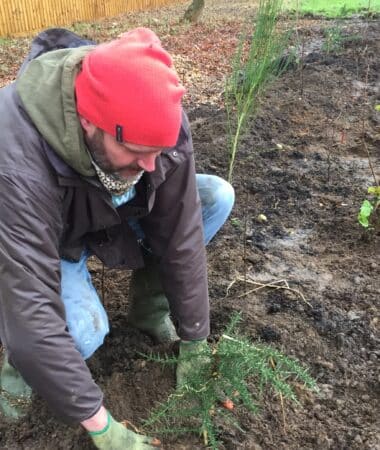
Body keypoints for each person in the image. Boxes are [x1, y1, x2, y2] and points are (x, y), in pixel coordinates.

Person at [0, 27, 234, 449]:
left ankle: (149, 310)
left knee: (215, 196)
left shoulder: (158, 121)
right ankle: (18, 368)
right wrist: (103, 427)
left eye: (158, 151)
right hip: (49, 235)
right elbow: (30, 303)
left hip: (113, 213)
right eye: (136, 151)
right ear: (89, 122)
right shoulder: (15, 156)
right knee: (83, 334)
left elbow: (180, 231)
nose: (150, 165)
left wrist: (196, 336)